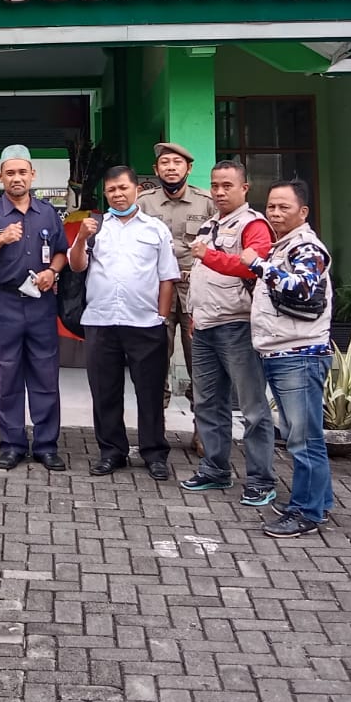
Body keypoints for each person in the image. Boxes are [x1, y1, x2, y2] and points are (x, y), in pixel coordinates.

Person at [68, 165, 179, 481]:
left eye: (123, 188)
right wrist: (81, 238)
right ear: (105, 194)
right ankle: (111, 452)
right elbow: (76, 266)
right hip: (101, 321)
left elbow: (167, 277)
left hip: (145, 323)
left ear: (137, 190)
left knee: (150, 392)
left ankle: (154, 453)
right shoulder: (96, 227)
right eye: (111, 190)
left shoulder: (155, 229)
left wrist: (161, 317)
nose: (117, 195)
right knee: (105, 392)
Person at [178, 160, 277, 506]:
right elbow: (201, 276)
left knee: (252, 408)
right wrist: (194, 315)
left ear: (244, 188)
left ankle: (261, 480)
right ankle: (215, 469)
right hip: (205, 327)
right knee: (208, 403)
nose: (219, 192)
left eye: (227, 186)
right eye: (215, 186)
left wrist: (209, 256)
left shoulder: (254, 225)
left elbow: (252, 268)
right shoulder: (210, 225)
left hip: (238, 326)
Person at [241, 179, 336, 538]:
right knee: (302, 435)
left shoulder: (306, 247)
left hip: (299, 355)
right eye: (271, 207)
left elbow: (303, 288)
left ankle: (305, 513)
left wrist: (259, 265)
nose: (276, 213)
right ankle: (318, 503)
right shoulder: (284, 246)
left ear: (303, 212)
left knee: (303, 439)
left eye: (284, 207)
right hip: (283, 352)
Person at [0, 145, 68, 472]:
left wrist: (53, 271)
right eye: (10, 173)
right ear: (0, 177)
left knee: (45, 375)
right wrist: (0, 240)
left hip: (40, 304)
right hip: (2, 303)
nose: (17, 178)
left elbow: (61, 252)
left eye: (22, 172)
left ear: (32, 174)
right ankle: (12, 444)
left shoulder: (48, 213)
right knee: (4, 378)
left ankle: (46, 445)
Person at [137, 143, 216, 413]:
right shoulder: (144, 203)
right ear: (156, 169)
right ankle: (155, 425)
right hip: (158, 292)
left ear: (189, 168)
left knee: (201, 360)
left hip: (197, 293)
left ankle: (201, 427)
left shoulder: (206, 202)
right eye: (165, 163)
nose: (171, 168)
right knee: (156, 359)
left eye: (177, 163)